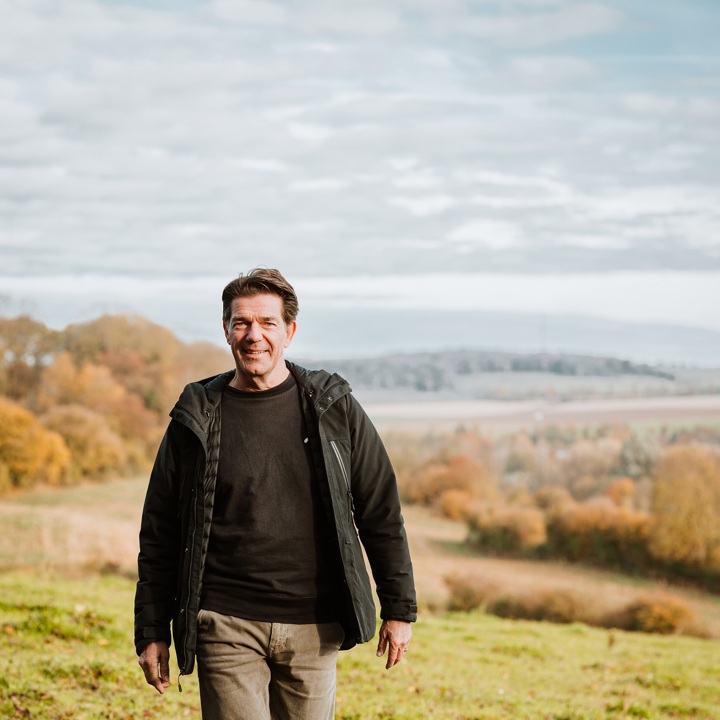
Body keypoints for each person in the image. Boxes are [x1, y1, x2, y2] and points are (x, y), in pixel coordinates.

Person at [134, 268, 417, 719]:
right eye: (242, 322)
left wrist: (399, 608)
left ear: (289, 331)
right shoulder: (197, 415)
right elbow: (160, 529)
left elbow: (380, 509)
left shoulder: (333, 407)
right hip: (225, 621)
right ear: (225, 329)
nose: (254, 335)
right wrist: (152, 629)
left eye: (267, 323)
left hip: (314, 625)